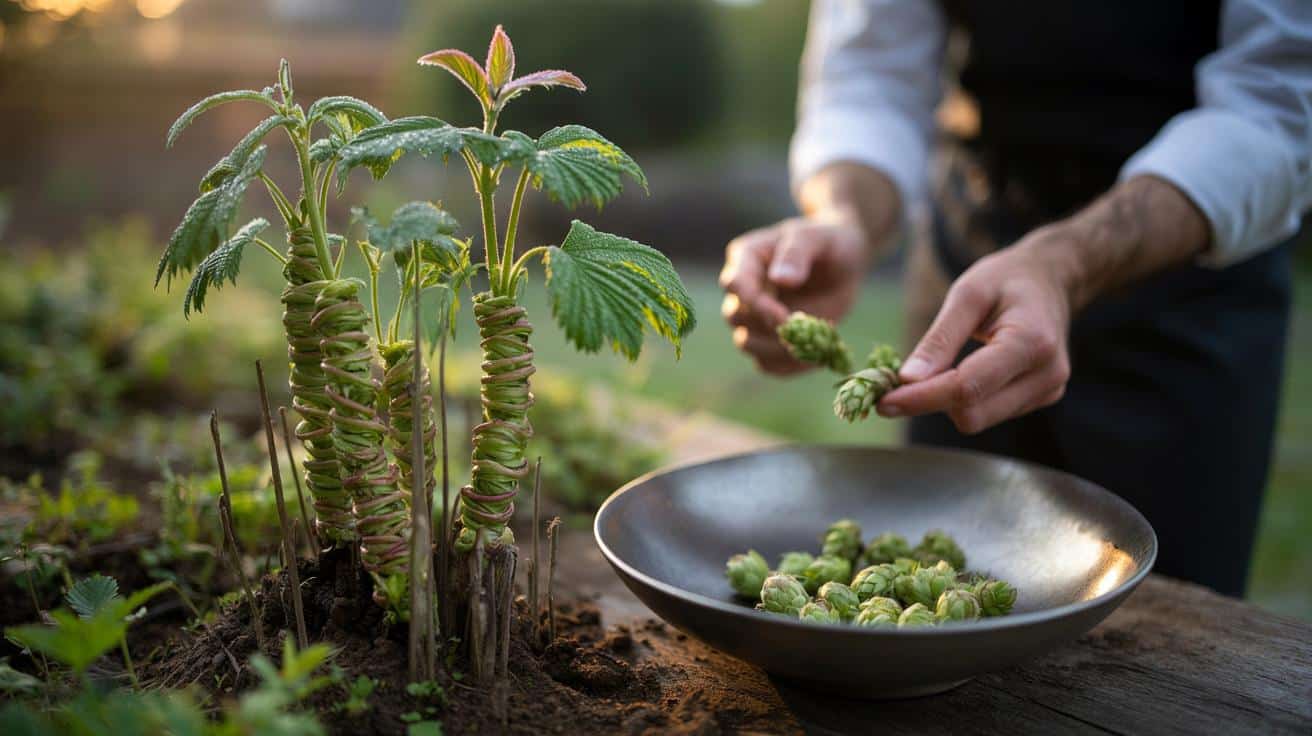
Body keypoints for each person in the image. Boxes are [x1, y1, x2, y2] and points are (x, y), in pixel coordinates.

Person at [719, 0, 1311, 597]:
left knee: (1168, 612)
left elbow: (1278, 102)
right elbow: (871, 75)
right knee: (941, 568)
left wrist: (1068, 261)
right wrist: (845, 215)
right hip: (968, 251)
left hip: (1185, 282)